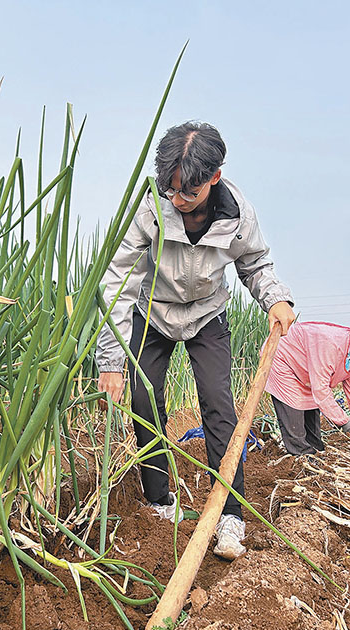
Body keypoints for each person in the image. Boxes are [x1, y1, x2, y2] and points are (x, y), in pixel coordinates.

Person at [95, 121, 295, 560]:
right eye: (170, 190)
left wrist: (275, 299)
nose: (177, 200)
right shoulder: (149, 207)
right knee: (146, 404)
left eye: (187, 192)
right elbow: (116, 282)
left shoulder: (238, 213)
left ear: (214, 179)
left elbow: (256, 263)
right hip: (153, 311)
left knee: (219, 406)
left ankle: (229, 512)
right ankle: (159, 501)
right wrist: (111, 359)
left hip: (207, 314)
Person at [265, 323, 350, 456]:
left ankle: (317, 451)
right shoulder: (330, 345)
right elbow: (321, 390)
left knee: (311, 405)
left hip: (305, 368)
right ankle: (301, 456)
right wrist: (344, 422)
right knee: (294, 412)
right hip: (282, 358)